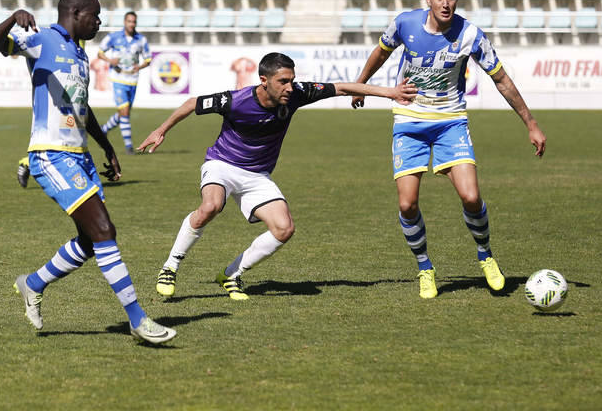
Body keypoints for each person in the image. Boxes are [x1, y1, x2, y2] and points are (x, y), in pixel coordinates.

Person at [139, 52, 417, 300]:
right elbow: (192, 102)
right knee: (210, 206)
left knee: (284, 229)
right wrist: (161, 130)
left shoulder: (296, 94)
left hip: (257, 175)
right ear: (264, 80)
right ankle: (170, 266)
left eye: (292, 80)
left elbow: (342, 87)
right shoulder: (236, 100)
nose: (289, 87)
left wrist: (390, 93)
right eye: (283, 81)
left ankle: (231, 275)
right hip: (222, 164)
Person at [0, 0, 175, 344]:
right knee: (104, 229)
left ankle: (33, 283)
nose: (99, 22)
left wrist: (107, 147)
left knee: (91, 241)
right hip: (51, 154)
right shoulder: (41, 40)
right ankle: (138, 319)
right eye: (95, 15)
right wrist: (14, 17)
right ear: (76, 12)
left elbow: (82, 108)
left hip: (81, 156)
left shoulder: (80, 52)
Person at [351, 0, 546, 299]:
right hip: (409, 122)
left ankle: (486, 256)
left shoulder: (470, 34)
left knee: (471, 196)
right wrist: (362, 85)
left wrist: (530, 122)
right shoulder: (405, 24)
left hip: (450, 121)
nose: (446, 4)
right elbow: (381, 52)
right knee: (407, 203)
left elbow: (501, 79)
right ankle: (425, 268)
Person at [96, 11, 152, 154]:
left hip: (132, 80)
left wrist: (139, 66)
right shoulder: (114, 37)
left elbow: (148, 59)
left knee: (123, 113)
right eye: (129, 21)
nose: (131, 24)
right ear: (124, 22)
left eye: (134, 22)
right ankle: (129, 147)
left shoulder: (141, 40)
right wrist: (110, 60)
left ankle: (103, 130)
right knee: (125, 112)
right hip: (118, 78)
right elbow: (100, 53)